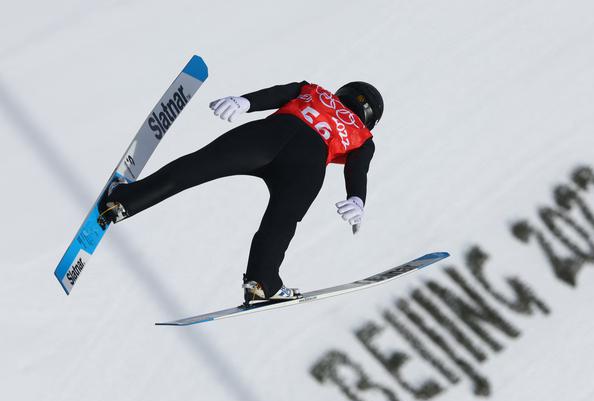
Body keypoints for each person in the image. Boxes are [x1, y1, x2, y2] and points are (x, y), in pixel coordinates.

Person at [97, 81, 384, 305]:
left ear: (343, 92)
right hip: (307, 165)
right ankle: (262, 283)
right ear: (370, 119)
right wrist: (357, 198)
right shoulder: (363, 135)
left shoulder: (316, 91)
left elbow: (278, 94)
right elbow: (358, 169)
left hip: (267, 136)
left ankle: (123, 201)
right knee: (281, 223)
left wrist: (245, 102)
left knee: (196, 167)